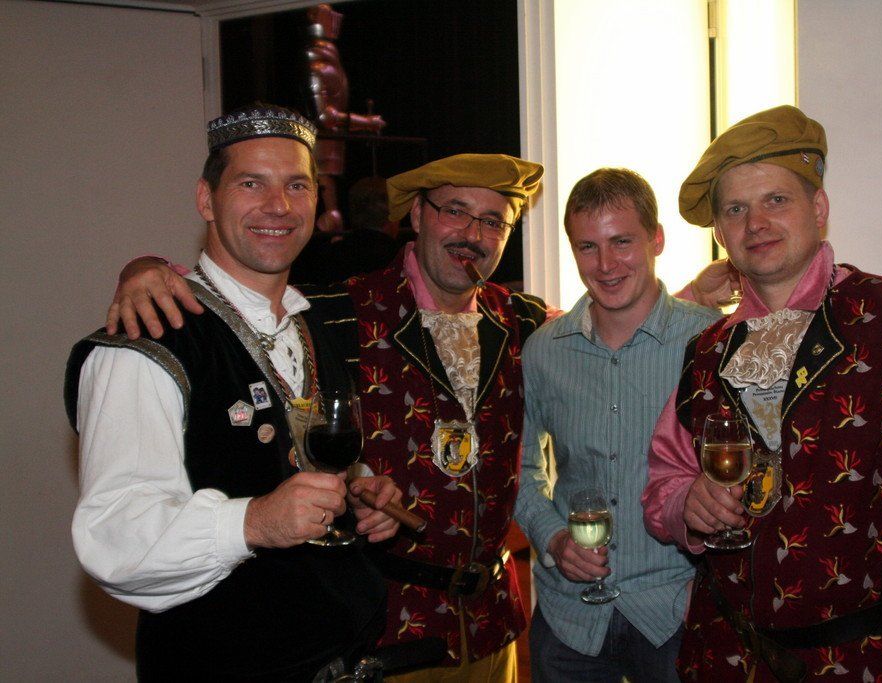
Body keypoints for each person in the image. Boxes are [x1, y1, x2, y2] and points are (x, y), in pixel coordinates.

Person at [102, 153, 548, 682]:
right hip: (380, 631)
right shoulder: (335, 310)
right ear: (416, 214)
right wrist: (147, 270)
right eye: (454, 210)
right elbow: (239, 305)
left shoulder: (526, 320)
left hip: (492, 624)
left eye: (493, 221)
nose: (472, 235)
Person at [641, 105, 882, 681]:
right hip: (717, 655)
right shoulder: (704, 352)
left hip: (858, 662)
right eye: (735, 209)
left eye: (776, 200)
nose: (755, 223)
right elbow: (665, 479)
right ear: (720, 232)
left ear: (818, 208)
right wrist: (683, 505)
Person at [66, 105, 403, 681]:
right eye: (251, 183)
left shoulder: (311, 325)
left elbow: (288, 455)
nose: (278, 205)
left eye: (297, 185)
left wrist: (358, 491)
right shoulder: (146, 342)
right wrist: (254, 522)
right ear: (206, 200)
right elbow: (114, 537)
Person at [514, 168, 721, 682]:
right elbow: (520, 470)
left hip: (675, 611)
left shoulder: (710, 341)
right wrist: (553, 539)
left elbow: (742, 472)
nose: (605, 265)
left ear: (657, 239)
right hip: (568, 617)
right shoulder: (543, 350)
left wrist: (719, 580)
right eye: (587, 247)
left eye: (622, 242)